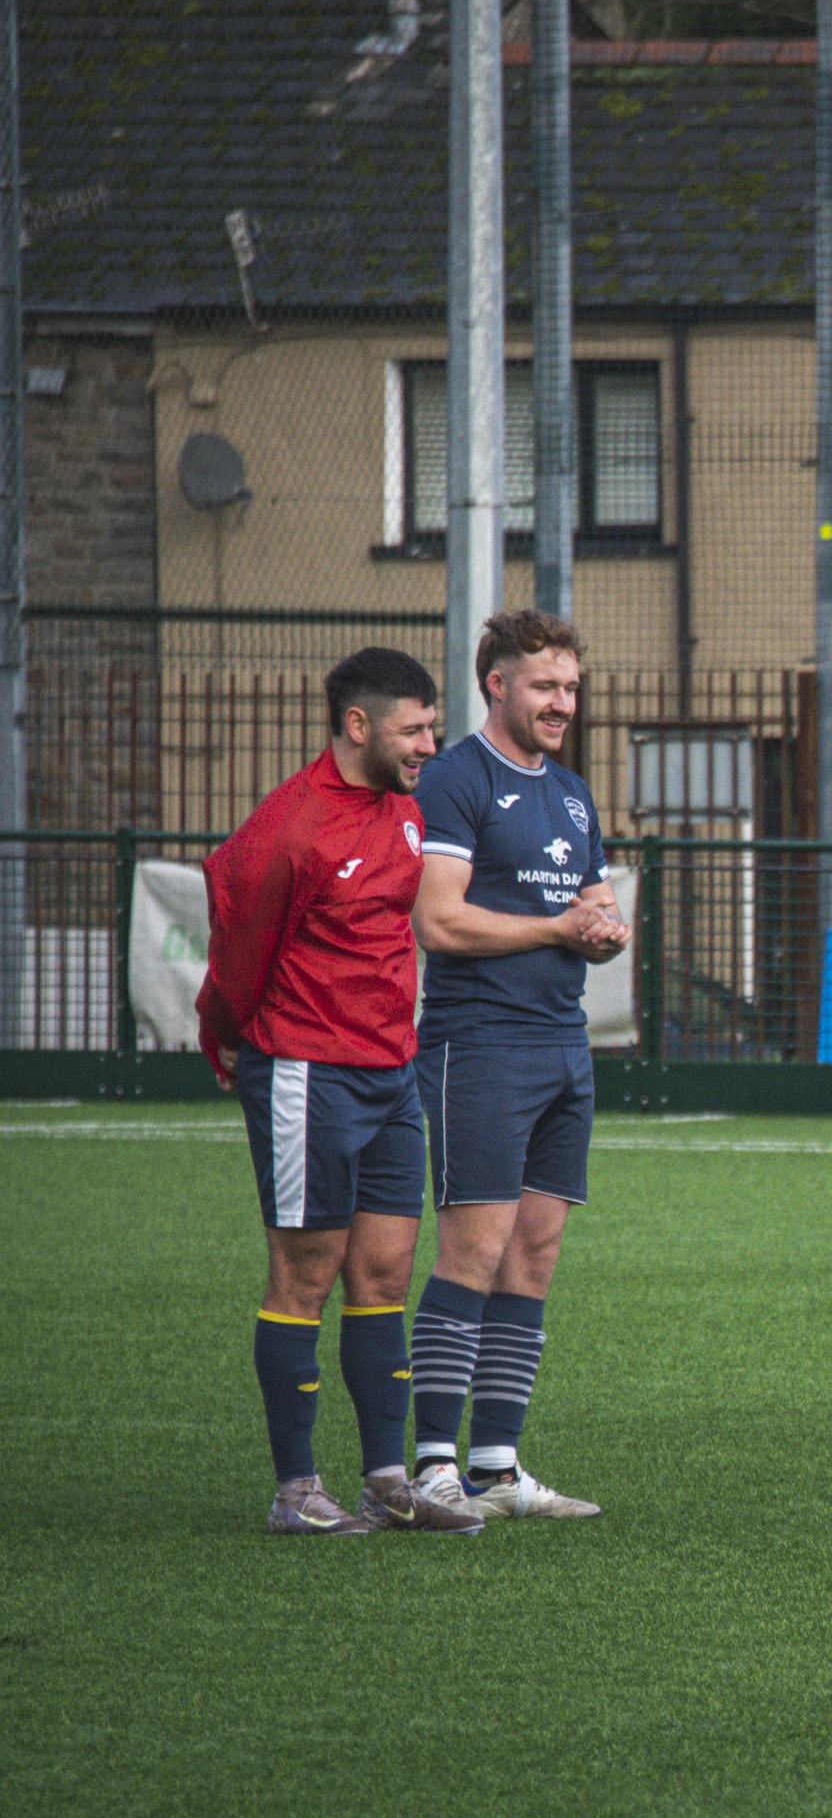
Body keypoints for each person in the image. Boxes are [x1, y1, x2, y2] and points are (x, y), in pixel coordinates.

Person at [199, 645, 480, 1535]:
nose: (429, 744)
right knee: (305, 1273)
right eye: (414, 729)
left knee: (385, 1270)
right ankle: (295, 1491)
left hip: (393, 1073)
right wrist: (222, 1031)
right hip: (306, 1072)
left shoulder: (406, 812)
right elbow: (238, 949)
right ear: (358, 725)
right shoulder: (290, 827)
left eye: (433, 727)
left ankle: (386, 1480)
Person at [406, 610, 630, 1522]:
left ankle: (496, 1466)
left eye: (571, 687)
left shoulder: (572, 793)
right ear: (496, 683)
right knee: (475, 1247)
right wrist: (557, 926)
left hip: (561, 1043)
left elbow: (595, 905)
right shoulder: (455, 777)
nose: (563, 702)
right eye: (545, 685)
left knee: (535, 1252)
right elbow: (438, 919)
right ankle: (432, 1465)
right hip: (480, 1043)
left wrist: (605, 929)